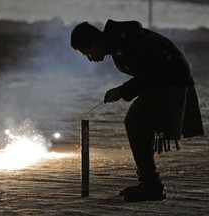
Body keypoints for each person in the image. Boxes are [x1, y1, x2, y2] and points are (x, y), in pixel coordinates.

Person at [71, 20, 204, 202]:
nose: (90, 58)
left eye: (87, 53)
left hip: (172, 78)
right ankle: (148, 182)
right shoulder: (119, 42)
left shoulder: (124, 44)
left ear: (94, 42)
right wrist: (123, 90)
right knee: (137, 120)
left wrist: (122, 91)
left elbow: (148, 75)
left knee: (135, 120)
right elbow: (146, 74)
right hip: (168, 76)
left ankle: (151, 185)